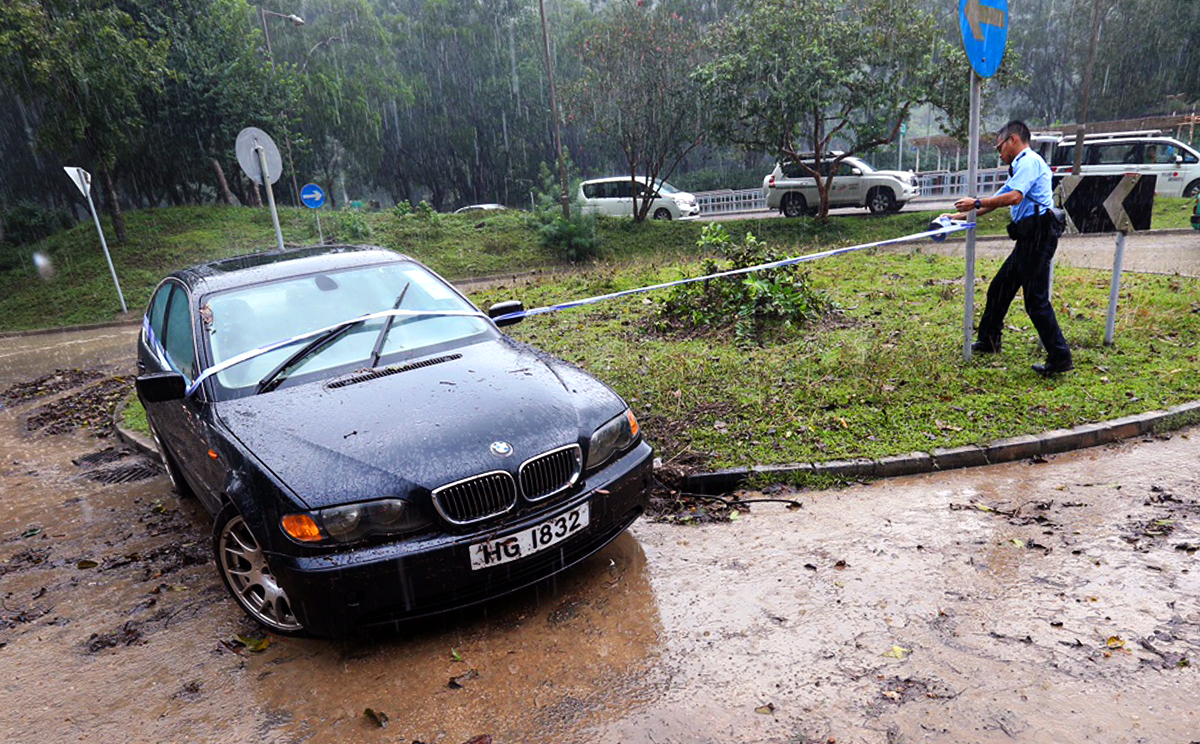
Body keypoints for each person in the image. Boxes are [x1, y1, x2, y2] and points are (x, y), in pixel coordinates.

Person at [942, 120, 1073, 377]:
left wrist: (976, 201)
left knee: (1035, 302)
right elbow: (997, 200)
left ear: (1013, 139)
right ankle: (990, 340)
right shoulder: (1019, 168)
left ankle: (1060, 357)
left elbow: (1014, 198)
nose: (999, 152)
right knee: (1000, 287)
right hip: (1029, 237)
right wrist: (957, 216)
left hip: (1038, 234)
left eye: (999, 146)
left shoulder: (1029, 162)